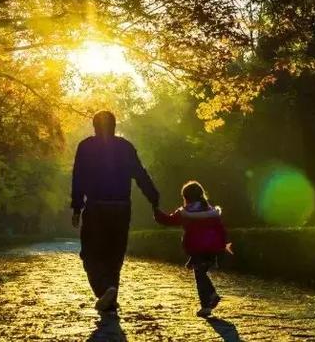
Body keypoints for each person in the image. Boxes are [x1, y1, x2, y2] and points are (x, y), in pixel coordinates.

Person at [71, 110, 159, 317]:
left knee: (91, 253)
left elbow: (78, 177)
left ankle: (104, 290)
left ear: (94, 126)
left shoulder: (86, 146)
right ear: (115, 125)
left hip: (96, 207)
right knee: (115, 253)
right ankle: (111, 299)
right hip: (121, 207)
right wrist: (154, 199)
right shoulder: (126, 147)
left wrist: (76, 207)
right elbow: (140, 173)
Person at [154, 180, 231, 317]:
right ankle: (209, 300)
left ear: (186, 197)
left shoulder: (185, 212)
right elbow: (221, 230)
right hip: (212, 249)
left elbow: (169, 221)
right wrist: (222, 246)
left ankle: (209, 301)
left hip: (197, 250)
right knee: (201, 273)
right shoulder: (211, 212)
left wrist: (157, 213)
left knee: (199, 275)